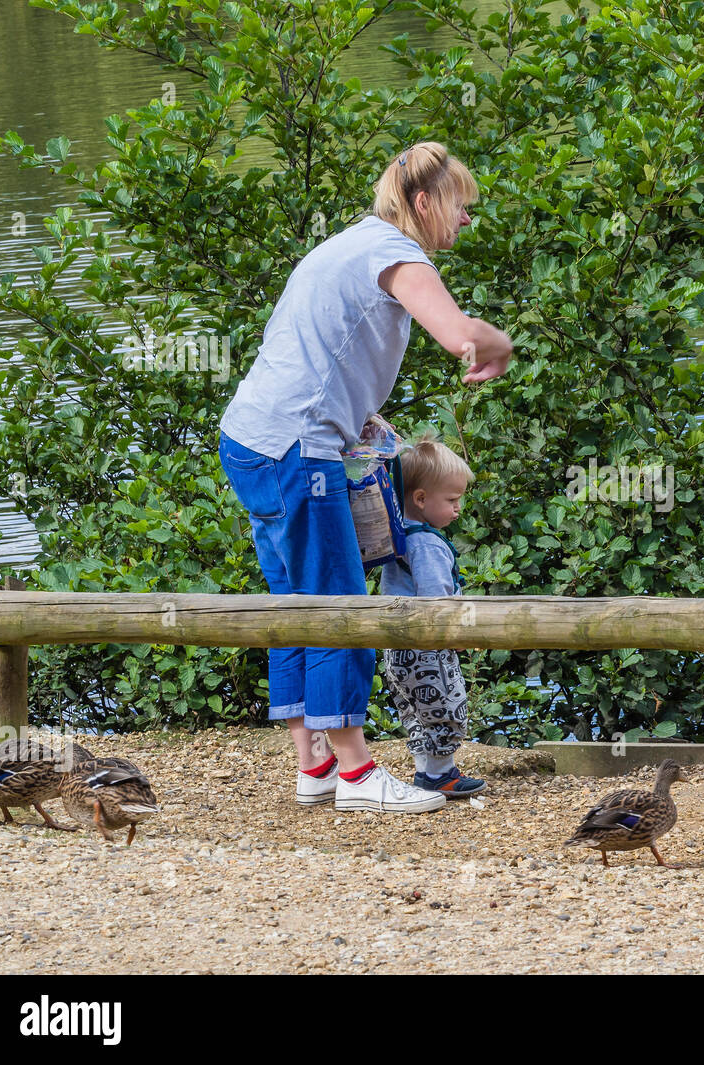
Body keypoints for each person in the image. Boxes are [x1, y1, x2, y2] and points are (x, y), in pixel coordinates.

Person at [216, 141, 512, 814]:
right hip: (298, 448)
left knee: (295, 602)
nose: (467, 219)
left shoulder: (346, 247)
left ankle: (313, 762)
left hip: (250, 439)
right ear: (423, 202)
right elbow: (460, 336)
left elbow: (315, 349)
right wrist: (499, 343)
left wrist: (363, 419)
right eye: (462, 205)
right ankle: (355, 773)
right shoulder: (396, 254)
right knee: (339, 601)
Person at [380, 433, 484, 797]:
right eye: (452, 499)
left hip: (396, 649)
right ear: (421, 499)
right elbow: (435, 600)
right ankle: (441, 774)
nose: (458, 508)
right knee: (446, 706)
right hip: (427, 646)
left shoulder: (400, 534)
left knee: (416, 712)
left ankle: (427, 772)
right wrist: (456, 634)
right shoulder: (426, 542)